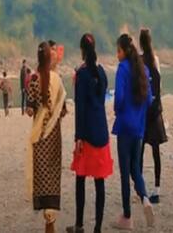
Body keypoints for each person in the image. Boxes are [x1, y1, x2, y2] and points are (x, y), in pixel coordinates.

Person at [67, 34, 113, 233]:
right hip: (101, 131)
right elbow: (101, 99)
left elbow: (80, 108)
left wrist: (78, 137)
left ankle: (79, 225)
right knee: (99, 181)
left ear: (82, 51)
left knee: (81, 178)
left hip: (86, 133)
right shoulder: (101, 72)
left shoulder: (82, 74)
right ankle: (98, 228)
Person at [111, 34, 155, 230]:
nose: (117, 54)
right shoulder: (144, 69)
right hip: (138, 127)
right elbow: (149, 100)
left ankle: (127, 216)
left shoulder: (122, 69)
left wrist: (118, 110)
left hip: (124, 126)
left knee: (124, 173)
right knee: (136, 168)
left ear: (124, 51)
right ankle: (145, 198)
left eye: (118, 51)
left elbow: (119, 97)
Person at [26, 42, 67, 233]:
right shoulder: (57, 80)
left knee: (41, 175)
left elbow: (30, 109)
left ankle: (48, 218)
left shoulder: (34, 79)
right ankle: (50, 221)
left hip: (40, 135)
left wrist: (39, 112)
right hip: (54, 135)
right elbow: (63, 110)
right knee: (53, 174)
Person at [139, 29, 168, 205]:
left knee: (140, 152)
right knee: (156, 151)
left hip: (143, 112)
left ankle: (141, 189)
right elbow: (159, 85)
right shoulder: (155, 60)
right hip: (155, 111)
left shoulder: (139, 61)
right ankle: (157, 189)